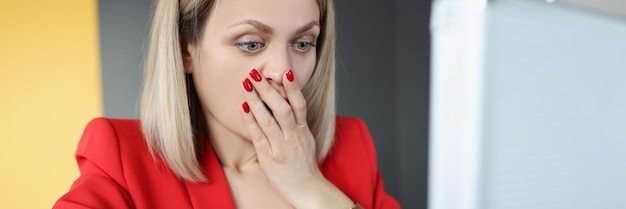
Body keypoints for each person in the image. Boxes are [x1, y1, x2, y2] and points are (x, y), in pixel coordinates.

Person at [54, 0, 400, 208]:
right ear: (185, 50)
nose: (282, 71)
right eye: (251, 44)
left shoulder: (353, 147)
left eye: (303, 43)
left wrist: (310, 187)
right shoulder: (121, 160)